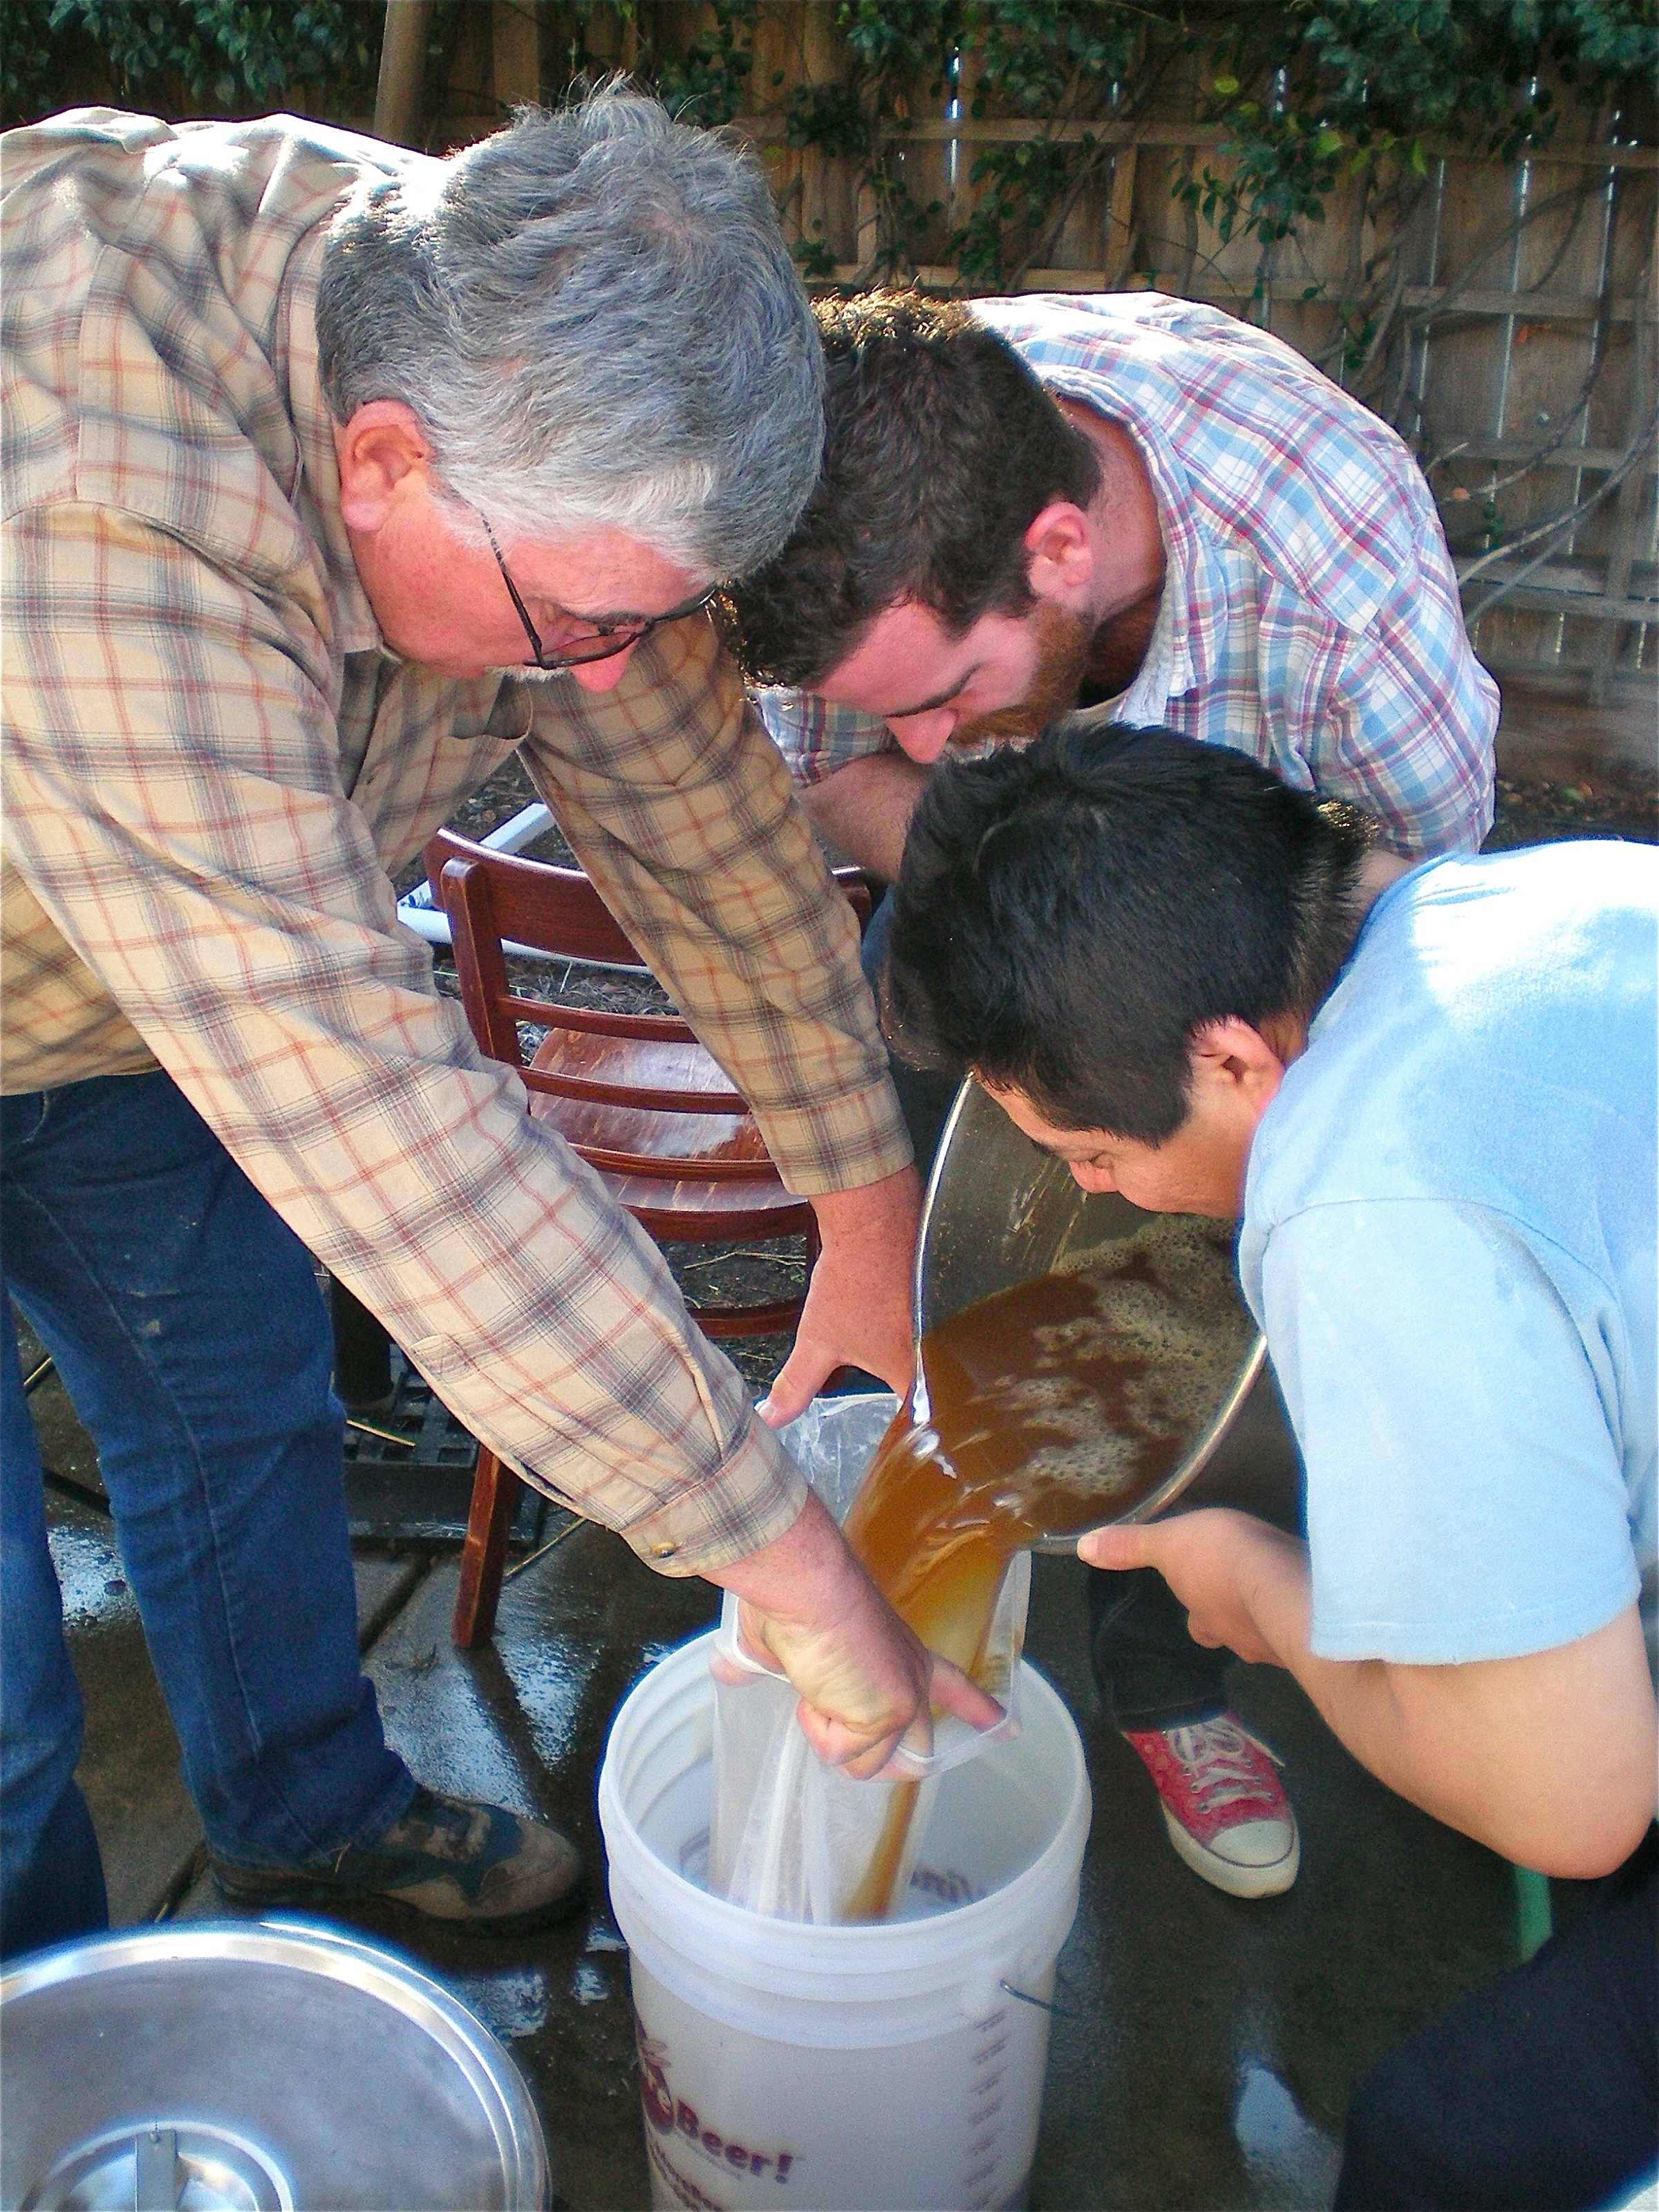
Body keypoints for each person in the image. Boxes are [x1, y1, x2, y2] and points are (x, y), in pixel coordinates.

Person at [0, 96, 995, 1961]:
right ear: (378, 464)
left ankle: (307, 1824)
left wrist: (866, 1221)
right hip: (152, 925)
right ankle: (58, 2062)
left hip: (107, 1000)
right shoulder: (101, 493)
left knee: (243, 1406)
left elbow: (702, 822)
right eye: (586, 624)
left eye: (655, 619)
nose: (608, 674)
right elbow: (386, 1126)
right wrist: (778, 1554)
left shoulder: (513, 350)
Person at [730, 287, 1500, 1895]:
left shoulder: (1334, 585)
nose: (932, 741)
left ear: (1064, 558)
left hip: (1255, 994)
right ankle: (935, 1598)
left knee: (1206, 1317)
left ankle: (1172, 1679)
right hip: (985, 941)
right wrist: (982, 860)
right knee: (972, 1329)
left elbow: (1425, 925)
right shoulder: (850, 510)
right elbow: (818, 783)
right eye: (898, 716)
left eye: (950, 695)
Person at [881, 721, 1657, 2210]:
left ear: (1232, 1056)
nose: (1097, 1193)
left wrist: (1261, 1590)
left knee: (1451, 2142)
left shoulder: (1368, 1195)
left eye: (1097, 1158)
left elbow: (1572, 1801)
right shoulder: (1530, 905)